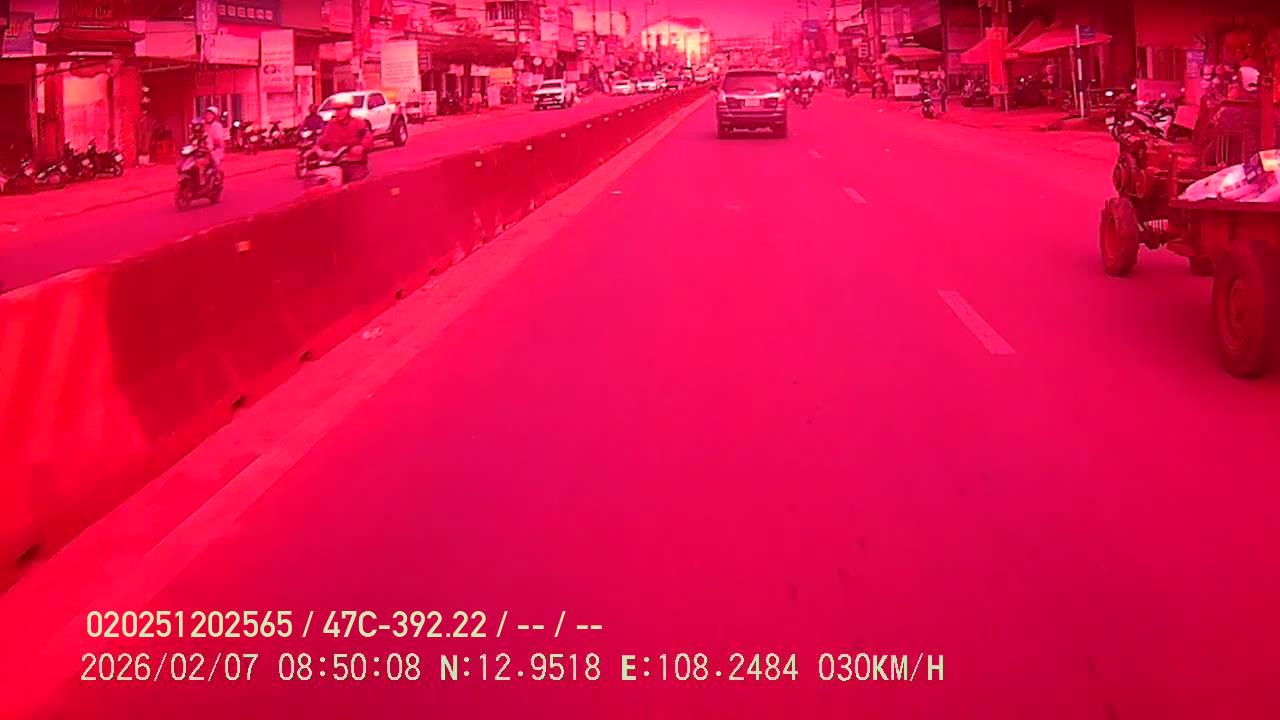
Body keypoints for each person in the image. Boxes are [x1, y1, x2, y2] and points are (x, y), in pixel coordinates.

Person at [316, 96, 373, 182]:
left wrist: (361, 147)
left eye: (341, 109)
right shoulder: (331, 125)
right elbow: (322, 140)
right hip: (336, 164)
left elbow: (367, 137)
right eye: (336, 110)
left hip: (354, 163)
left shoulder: (358, 123)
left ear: (349, 109)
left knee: (355, 184)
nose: (338, 112)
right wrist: (318, 149)